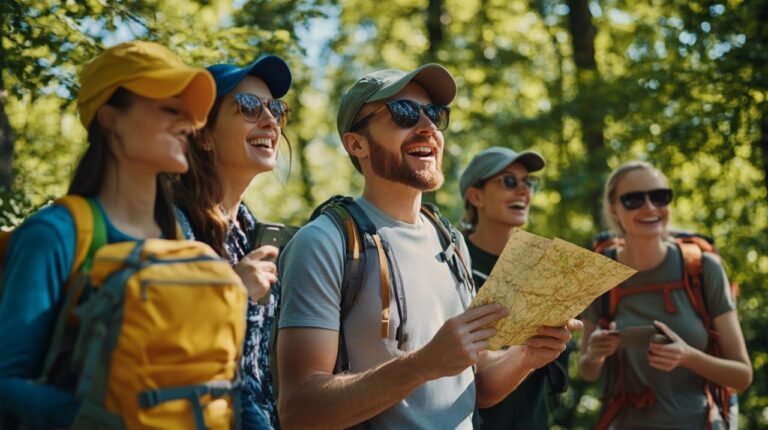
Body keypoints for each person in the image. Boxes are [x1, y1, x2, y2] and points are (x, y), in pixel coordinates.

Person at [276, 64, 581, 429]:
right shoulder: (323, 243)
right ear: (356, 144)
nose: (427, 127)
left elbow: (477, 386)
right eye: (404, 113)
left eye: (435, 114)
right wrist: (422, 364)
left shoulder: (450, 242)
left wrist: (526, 356)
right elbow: (299, 410)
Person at [0, 41, 215, 429]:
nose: (189, 124)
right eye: (170, 108)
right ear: (110, 118)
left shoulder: (182, 238)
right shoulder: (53, 235)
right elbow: (6, 381)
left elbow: (220, 376)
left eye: (188, 112)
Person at [579, 161, 752, 429]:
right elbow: (587, 371)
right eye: (633, 200)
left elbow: (742, 376)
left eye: (659, 197)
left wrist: (687, 357)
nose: (649, 208)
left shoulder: (702, 268)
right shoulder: (599, 272)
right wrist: (595, 354)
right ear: (613, 208)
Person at [174, 55, 292, 429]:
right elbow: (156, 346)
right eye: (247, 106)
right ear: (204, 136)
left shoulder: (249, 229)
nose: (269, 119)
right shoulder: (171, 227)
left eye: (275, 108)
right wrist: (232, 290)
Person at [459, 146, 571, 430]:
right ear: (476, 196)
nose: (523, 191)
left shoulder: (545, 264)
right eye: (509, 181)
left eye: (528, 182)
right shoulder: (452, 260)